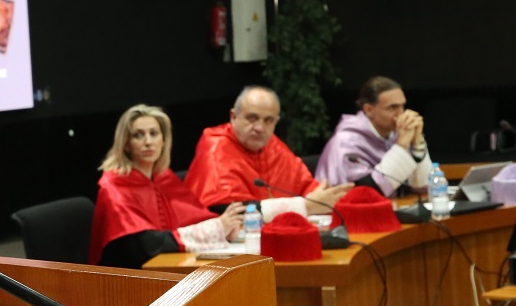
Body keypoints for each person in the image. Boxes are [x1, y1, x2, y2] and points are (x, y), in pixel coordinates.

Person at [89, 105, 245, 268]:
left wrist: (225, 227)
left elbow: (195, 217)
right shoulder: (113, 186)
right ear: (126, 144)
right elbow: (147, 247)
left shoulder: (164, 177)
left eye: (154, 134)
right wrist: (216, 229)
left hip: (169, 267)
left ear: (164, 141)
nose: (148, 142)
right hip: (131, 278)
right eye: (138, 135)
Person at [186, 86, 352, 221]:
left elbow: (307, 187)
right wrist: (305, 206)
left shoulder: (272, 144)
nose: (260, 128)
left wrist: (326, 197)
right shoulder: (216, 148)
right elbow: (233, 211)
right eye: (252, 118)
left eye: (268, 120)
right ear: (233, 116)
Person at [314, 76, 431, 196]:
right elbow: (369, 192)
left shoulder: (396, 134)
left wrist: (417, 143)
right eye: (393, 107)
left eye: (402, 106)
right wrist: (401, 146)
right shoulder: (346, 142)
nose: (401, 114)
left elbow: (422, 187)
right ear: (369, 110)